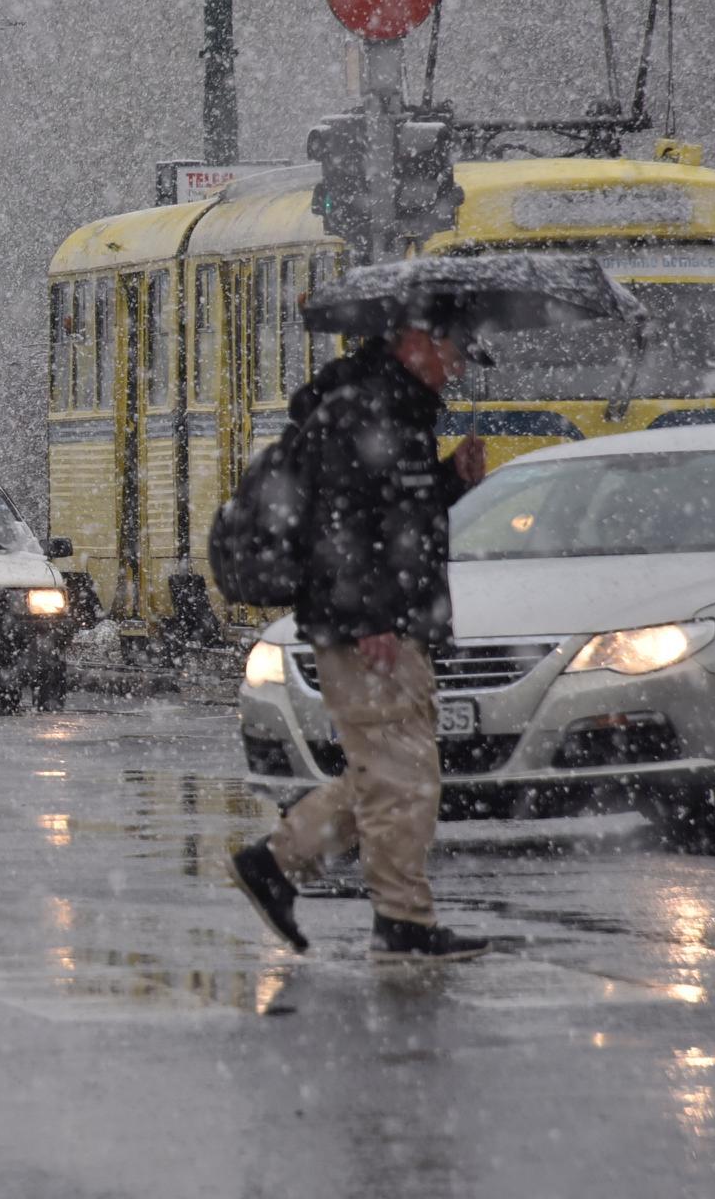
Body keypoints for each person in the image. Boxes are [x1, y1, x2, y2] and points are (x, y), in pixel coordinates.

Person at [227, 313, 494, 963]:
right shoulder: (367, 412)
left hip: (388, 620)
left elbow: (395, 519)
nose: (457, 370)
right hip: (374, 629)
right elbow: (338, 528)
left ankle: (275, 864)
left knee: (388, 775)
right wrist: (369, 616)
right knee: (405, 779)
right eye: (454, 353)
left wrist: (453, 479)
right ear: (417, 341)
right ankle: (402, 923)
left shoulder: (392, 409)